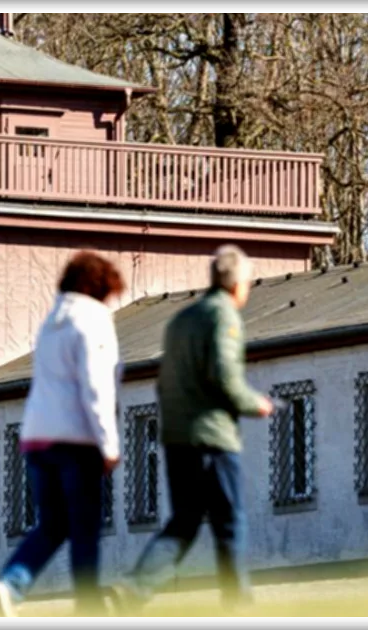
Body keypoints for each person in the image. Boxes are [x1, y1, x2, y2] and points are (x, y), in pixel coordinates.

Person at [108, 244, 274, 615]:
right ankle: (238, 604)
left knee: (183, 522)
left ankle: (132, 590)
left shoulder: (181, 319)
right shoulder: (224, 316)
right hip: (212, 438)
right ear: (237, 284)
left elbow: (163, 382)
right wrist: (255, 403)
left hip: (176, 439)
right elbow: (225, 377)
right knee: (230, 522)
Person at [0, 251, 126, 618]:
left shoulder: (51, 321)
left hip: (36, 437)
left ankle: (10, 584)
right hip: (74, 440)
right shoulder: (93, 320)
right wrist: (109, 443)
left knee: (52, 523)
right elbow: (97, 387)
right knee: (84, 526)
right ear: (98, 286)